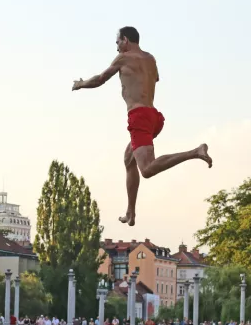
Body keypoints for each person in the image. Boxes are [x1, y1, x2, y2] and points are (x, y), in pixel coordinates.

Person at [72, 26, 212, 227]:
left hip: (139, 117)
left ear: (126, 40)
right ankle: (131, 212)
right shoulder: (150, 59)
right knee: (128, 159)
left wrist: (81, 84)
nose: (117, 47)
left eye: (118, 42)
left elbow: (100, 79)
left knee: (146, 169)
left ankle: (195, 152)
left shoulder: (123, 58)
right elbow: (154, 79)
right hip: (154, 117)